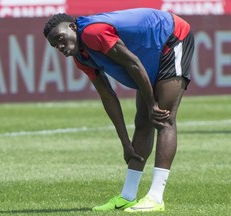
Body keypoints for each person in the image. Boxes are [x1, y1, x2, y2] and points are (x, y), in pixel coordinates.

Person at [43, 8, 194, 212]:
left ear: (72, 27)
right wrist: (125, 143)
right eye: (55, 45)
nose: (60, 46)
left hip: (172, 36)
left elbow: (132, 64)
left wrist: (151, 104)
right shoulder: (81, 58)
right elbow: (108, 97)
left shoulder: (92, 32)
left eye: (60, 38)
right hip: (149, 53)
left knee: (162, 118)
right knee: (142, 123)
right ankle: (128, 196)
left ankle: (156, 198)